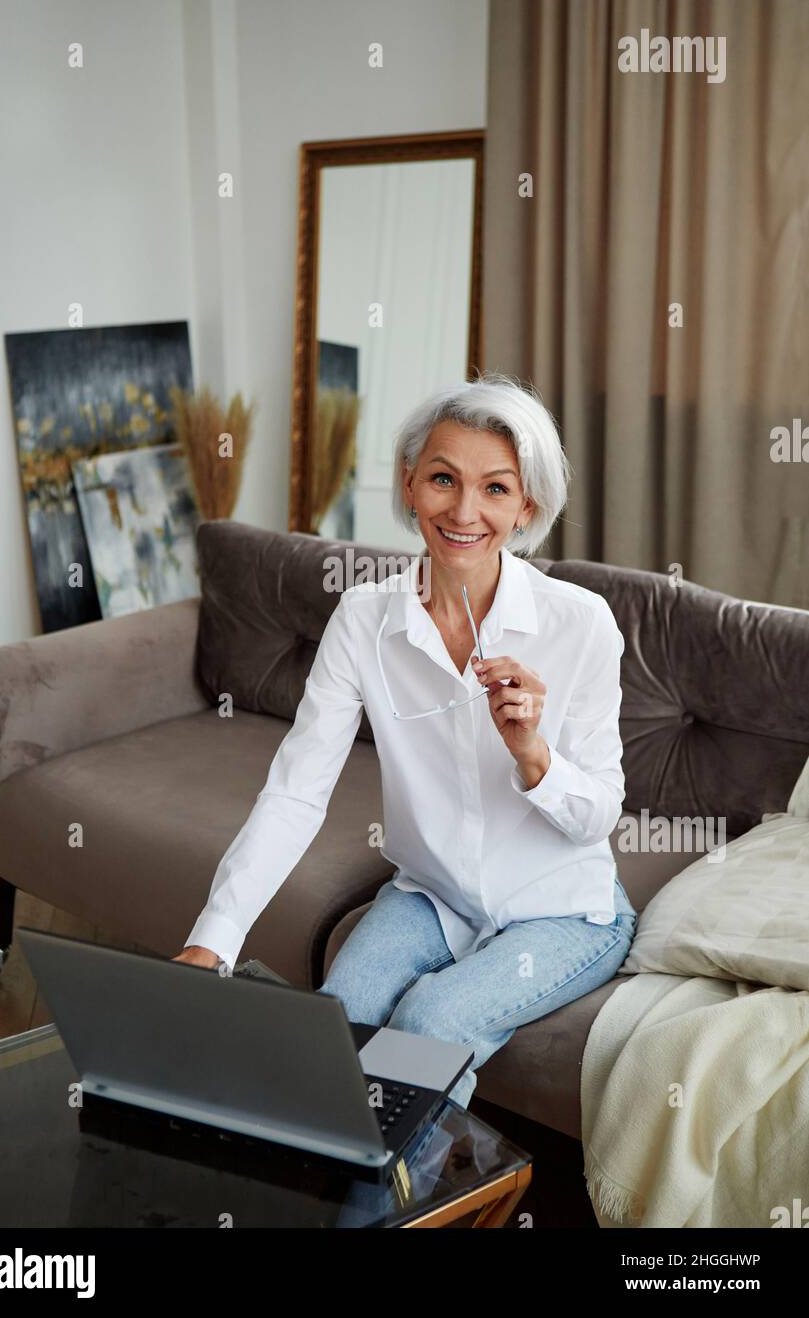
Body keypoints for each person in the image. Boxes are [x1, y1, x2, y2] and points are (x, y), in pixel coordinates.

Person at [173, 373, 637, 1110]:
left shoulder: (580, 624)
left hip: (564, 909)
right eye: (444, 479)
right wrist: (215, 938)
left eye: (495, 489)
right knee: (335, 1021)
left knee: (427, 1024)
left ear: (528, 507)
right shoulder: (364, 620)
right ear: (410, 484)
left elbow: (596, 819)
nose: (463, 510)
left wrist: (532, 754)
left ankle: (397, 1211)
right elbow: (296, 793)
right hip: (433, 896)